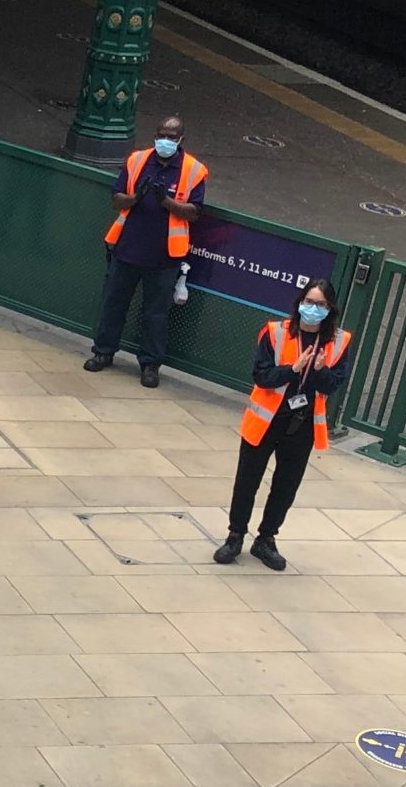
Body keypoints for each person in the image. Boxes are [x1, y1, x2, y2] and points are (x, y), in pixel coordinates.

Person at [218, 279, 352, 572]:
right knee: (247, 482)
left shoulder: (338, 342)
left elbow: (334, 384)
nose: (313, 309)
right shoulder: (275, 332)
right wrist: (292, 370)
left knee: (285, 486)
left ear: (330, 310)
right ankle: (235, 534)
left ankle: (266, 539)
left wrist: (318, 371)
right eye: (309, 302)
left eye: (320, 305)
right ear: (299, 302)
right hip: (266, 421)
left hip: (301, 425)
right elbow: (262, 376)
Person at [88, 114, 207, 389]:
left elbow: (194, 212)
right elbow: (116, 199)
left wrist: (165, 201)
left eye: (171, 137)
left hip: (165, 257)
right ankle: (103, 351)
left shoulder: (193, 170)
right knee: (113, 304)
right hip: (127, 248)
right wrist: (136, 198)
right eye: (161, 135)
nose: (165, 141)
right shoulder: (137, 160)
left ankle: (150, 365)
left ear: (181, 140)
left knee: (156, 313)